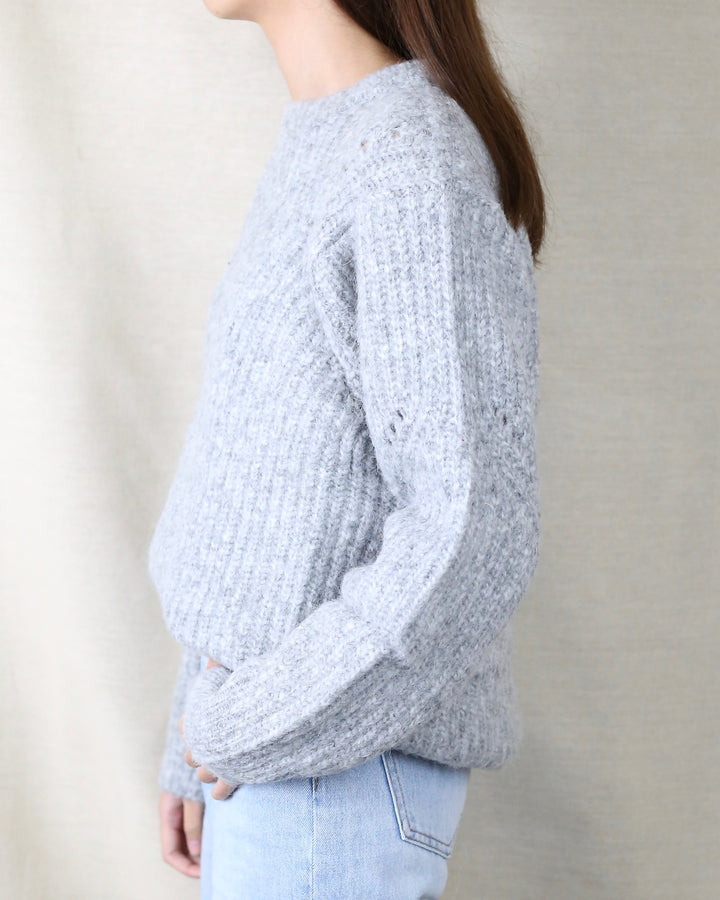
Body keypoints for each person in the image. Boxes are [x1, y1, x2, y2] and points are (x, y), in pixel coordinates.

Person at [154, 0, 546, 896]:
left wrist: (242, 727)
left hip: (333, 779)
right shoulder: (333, 135)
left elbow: (470, 529)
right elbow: (263, 479)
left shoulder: (410, 158)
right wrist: (194, 727)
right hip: (287, 767)